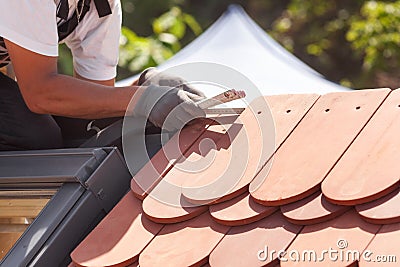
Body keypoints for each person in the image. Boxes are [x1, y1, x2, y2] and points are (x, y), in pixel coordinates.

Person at [0, 0, 205, 151]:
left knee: (84, 135)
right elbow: (40, 93)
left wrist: (149, 88)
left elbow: (96, 106)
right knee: (34, 137)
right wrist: (143, 98)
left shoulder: (101, 6)